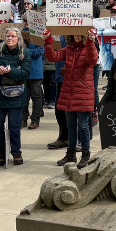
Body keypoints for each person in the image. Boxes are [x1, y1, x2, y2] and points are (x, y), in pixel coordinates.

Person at [45, 33, 99, 166]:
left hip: (83, 93)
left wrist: (91, 43)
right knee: (70, 126)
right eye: (74, 33)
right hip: (69, 93)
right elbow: (53, 57)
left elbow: (93, 60)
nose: (76, 35)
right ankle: (71, 155)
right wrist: (48, 42)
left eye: (79, 34)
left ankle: (85, 155)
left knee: (83, 126)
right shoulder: (68, 49)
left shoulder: (88, 48)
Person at [0, 27, 32, 167]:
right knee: (0, 127)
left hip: (16, 95)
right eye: (7, 36)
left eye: (13, 36)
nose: (10, 39)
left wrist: (11, 71)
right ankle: (2, 154)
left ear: (18, 38)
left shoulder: (25, 52)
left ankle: (16, 153)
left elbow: (25, 73)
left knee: (14, 126)